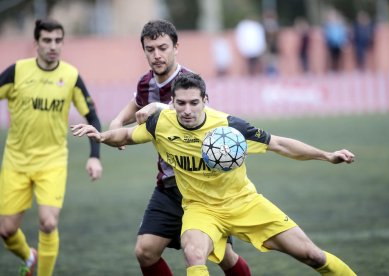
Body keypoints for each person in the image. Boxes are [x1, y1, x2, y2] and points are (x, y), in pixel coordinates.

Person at [72, 72, 357, 276]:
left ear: (205, 100)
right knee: (194, 254)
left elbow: (280, 144)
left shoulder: (230, 127)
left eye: (194, 103)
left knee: (312, 255)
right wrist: (101, 135)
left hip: (244, 203)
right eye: (180, 103)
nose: (186, 110)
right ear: (171, 102)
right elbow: (126, 135)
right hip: (200, 209)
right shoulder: (161, 123)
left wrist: (326, 155)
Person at [109, 20, 251, 275]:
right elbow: (137, 102)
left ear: (176, 47)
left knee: (224, 258)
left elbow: (200, 117)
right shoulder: (146, 83)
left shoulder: (190, 83)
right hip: (168, 185)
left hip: (202, 187)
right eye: (150, 49)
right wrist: (118, 122)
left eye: (162, 47)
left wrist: (158, 108)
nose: (157, 55)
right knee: (145, 251)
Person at [0, 19, 102, 276]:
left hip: (52, 161)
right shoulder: (17, 72)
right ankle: (28, 255)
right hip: (16, 161)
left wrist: (94, 156)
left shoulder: (70, 76)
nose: (53, 46)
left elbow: (93, 117)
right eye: (47, 40)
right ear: (36, 43)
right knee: (6, 230)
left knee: (48, 222)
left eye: (58, 40)